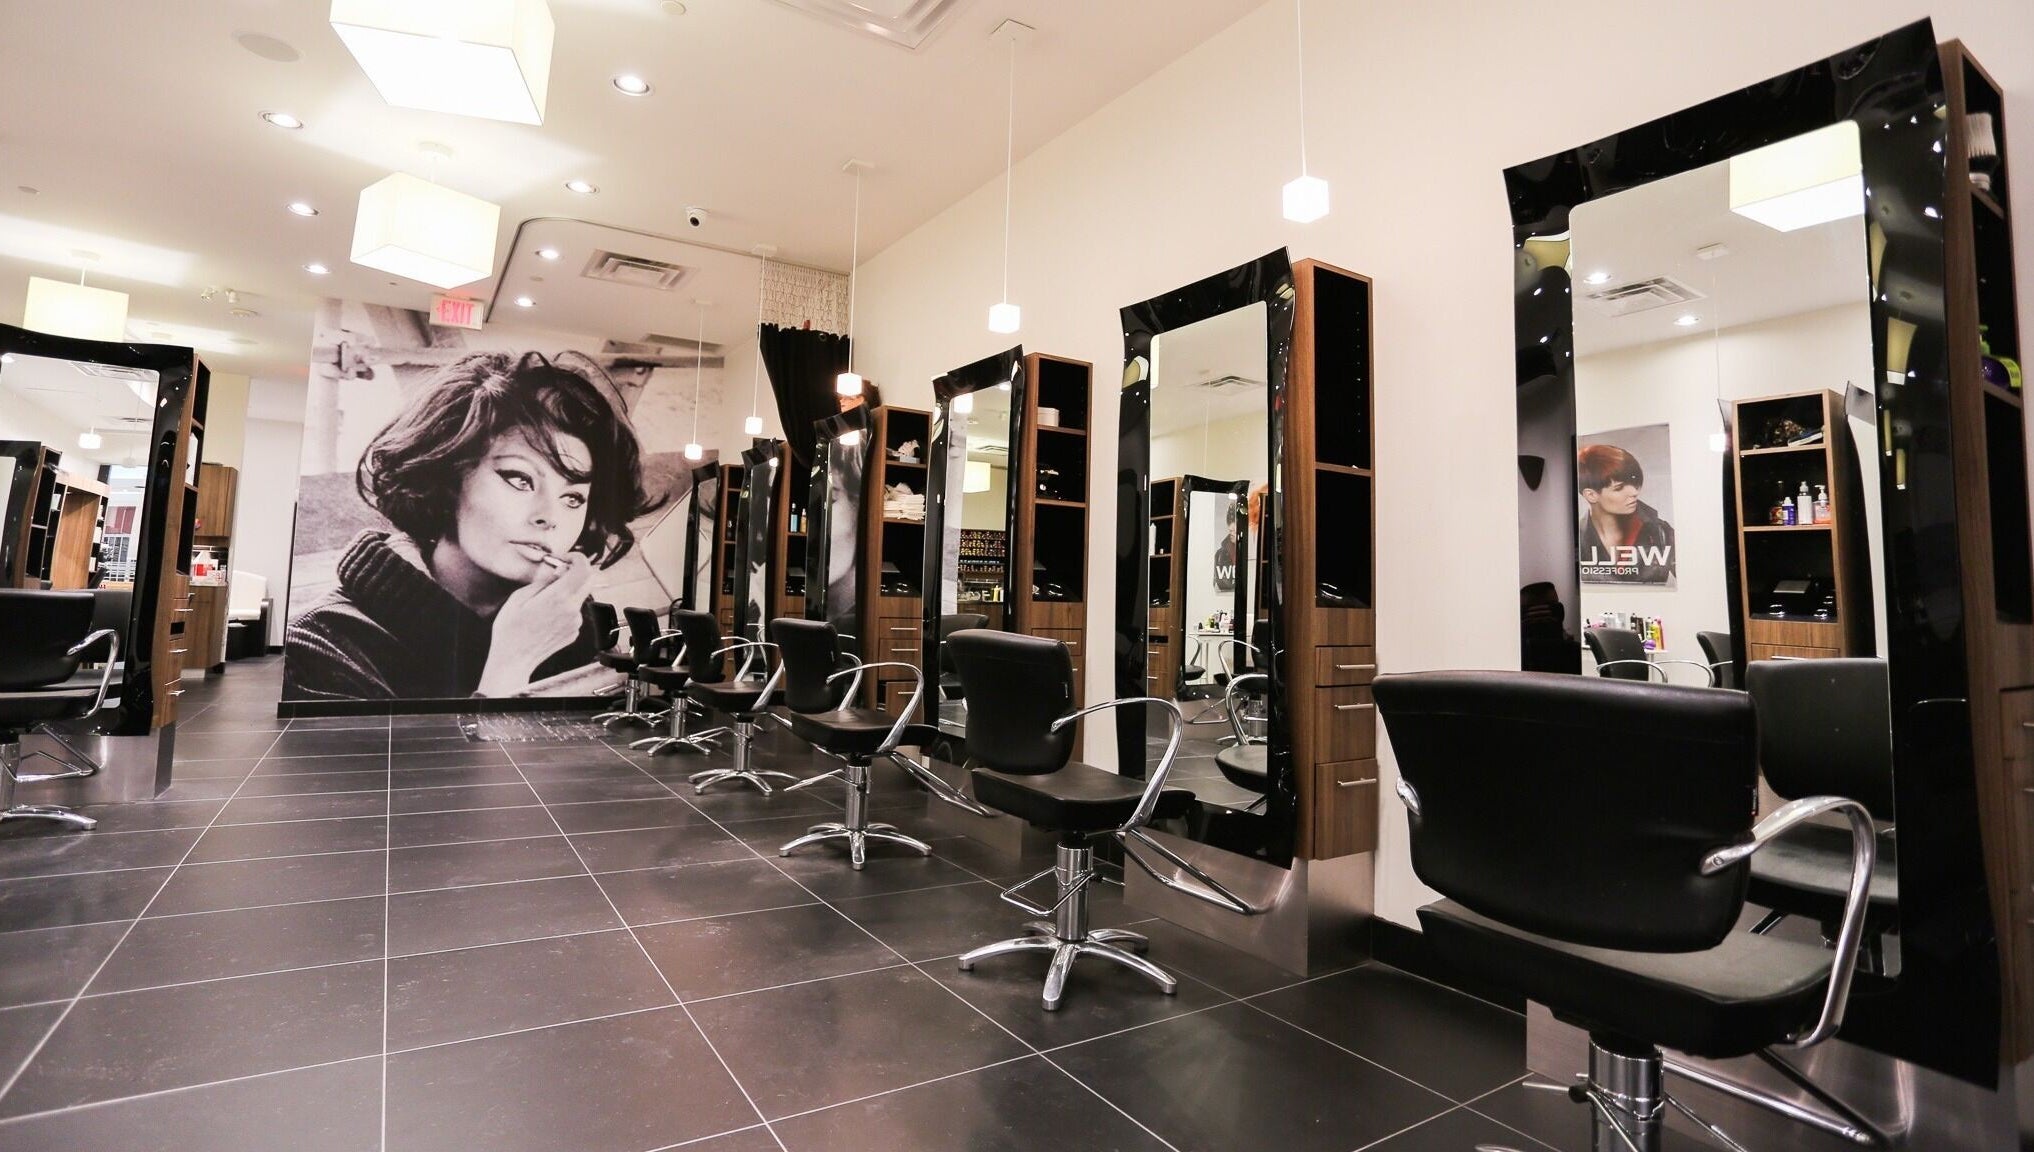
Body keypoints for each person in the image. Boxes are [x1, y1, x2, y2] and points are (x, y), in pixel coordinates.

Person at [285, 351, 661, 700]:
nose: (550, 517)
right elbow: (403, 774)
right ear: (447, 479)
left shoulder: (570, 624)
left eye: (573, 498)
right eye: (520, 479)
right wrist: (513, 661)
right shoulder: (322, 644)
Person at [1576, 443, 1674, 584]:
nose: (1634, 492)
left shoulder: (1660, 532)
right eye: (1619, 487)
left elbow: (1694, 578)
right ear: (1591, 495)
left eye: (1634, 482)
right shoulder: (1577, 539)